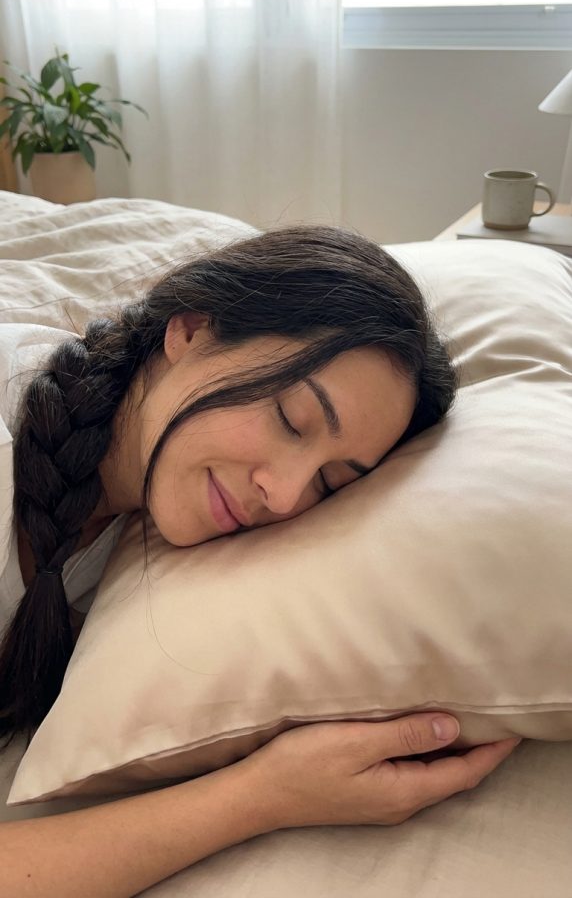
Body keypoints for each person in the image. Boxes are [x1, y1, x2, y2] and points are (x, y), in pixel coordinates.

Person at [0, 225, 521, 894]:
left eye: (331, 483)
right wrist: (266, 794)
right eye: (292, 419)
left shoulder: (115, 521)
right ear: (190, 329)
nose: (283, 494)